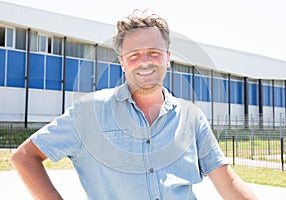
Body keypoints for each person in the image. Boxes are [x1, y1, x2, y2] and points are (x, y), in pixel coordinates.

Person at [11, 9, 257, 200]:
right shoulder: (88, 112)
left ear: (168, 59)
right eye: (134, 55)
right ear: (122, 62)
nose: (145, 62)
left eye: (153, 52)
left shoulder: (192, 117)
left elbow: (227, 181)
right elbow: (25, 156)